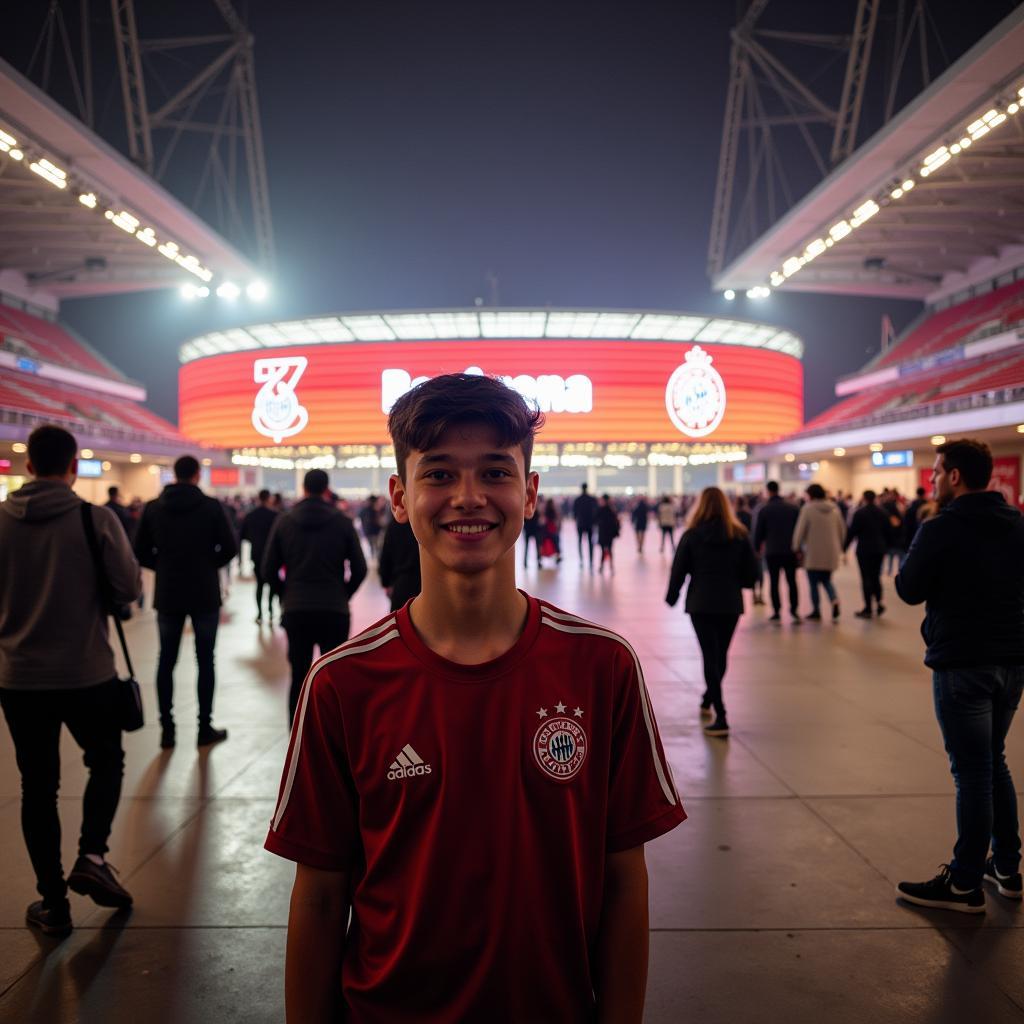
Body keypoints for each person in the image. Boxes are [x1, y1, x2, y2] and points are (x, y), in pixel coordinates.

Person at [265, 373, 684, 1023]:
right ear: (399, 498)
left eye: (494, 472)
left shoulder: (602, 667)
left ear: (530, 492)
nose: (468, 498)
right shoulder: (342, 683)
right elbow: (320, 895)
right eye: (437, 475)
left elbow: (624, 879)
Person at [0, 425, 140, 937]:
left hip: (18, 678)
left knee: (38, 787)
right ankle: (93, 854)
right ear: (73, 466)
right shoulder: (93, 518)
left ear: (30, 466)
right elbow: (127, 588)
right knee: (106, 761)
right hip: (88, 673)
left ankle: (53, 903)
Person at [895, 439, 1024, 913]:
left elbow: (908, 588)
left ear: (954, 477)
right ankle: (1007, 867)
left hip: (962, 662)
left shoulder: (940, 527)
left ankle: (964, 882)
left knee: (972, 771)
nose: (930, 479)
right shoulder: (1016, 523)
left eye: (935, 472)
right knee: (994, 761)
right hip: (1012, 661)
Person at [134, 454, 237, 749]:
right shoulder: (211, 507)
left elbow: (139, 550)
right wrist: (207, 564)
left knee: (166, 660)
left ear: (174, 474)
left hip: (168, 592)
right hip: (204, 592)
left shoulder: (154, 508)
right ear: (196, 475)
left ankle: (167, 730)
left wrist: (164, 565)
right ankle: (204, 727)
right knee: (206, 660)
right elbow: (229, 547)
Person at [263, 469, 368, 724]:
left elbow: (267, 569)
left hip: (297, 608)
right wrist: (343, 593)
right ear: (326, 489)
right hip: (333, 609)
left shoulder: (285, 521)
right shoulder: (342, 522)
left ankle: (297, 738)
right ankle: (333, 740)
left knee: (299, 675)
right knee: (334, 677)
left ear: (304, 488)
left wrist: (285, 593)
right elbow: (360, 568)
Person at [666, 487, 760, 738]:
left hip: (701, 602)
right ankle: (710, 699)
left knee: (710, 656)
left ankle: (721, 714)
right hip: (730, 602)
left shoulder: (692, 535)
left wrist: (672, 596)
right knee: (721, 655)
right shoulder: (739, 534)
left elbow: (679, 569)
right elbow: (752, 573)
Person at [792, 483, 846, 621]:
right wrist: (840, 547)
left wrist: (796, 546)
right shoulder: (835, 509)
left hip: (813, 552)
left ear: (811, 494)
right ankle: (834, 600)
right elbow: (842, 530)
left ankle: (816, 610)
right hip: (831, 552)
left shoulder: (808, 509)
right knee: (827, 580)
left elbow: (800, 530)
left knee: (813, 583)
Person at [752, 481, 801, 623]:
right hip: (790, 551)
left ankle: (776, 611)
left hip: (772, 551)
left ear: (768, 491)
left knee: (774, 582)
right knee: (792, 581)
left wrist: (756, 549)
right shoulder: (793, 508)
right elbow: (799, 530)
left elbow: (758, 532)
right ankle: (794, 610)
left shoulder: (764, 509)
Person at [843, 490, 892, 619]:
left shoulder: (859, 513)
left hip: (864, 550)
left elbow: (852, 531)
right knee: (876, 576)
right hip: (879, 549)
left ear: (864, 498)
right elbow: (889, 531)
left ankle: (868, 607)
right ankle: (879, 603)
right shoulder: (883, 512)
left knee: (866, 577)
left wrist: (844, 548)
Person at [240, 489, 280, 623]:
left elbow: (243, 535)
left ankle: (259, 614)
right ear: (269, 499)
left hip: (256, 554)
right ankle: (270, 610)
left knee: (259, 585)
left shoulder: (251, 515)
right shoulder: (275, 515)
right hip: (273, 555)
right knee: (272, 584)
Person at [378, 516, 421, 611]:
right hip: (424, 582)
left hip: (401, 583)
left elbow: (386, 555)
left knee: (400, 621)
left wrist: (385, 582)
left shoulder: (394, 524)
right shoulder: (426, 522)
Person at [573, 481, 598, 570]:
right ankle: (591, 561)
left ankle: (581, 560)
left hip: (580, 523)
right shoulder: (592, 499)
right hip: (590, 524)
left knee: (579, 542)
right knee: (590, 542)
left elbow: (574, 514)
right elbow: (595, 511)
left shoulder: (577, 500)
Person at [595, 493, 620, 574]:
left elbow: (595, 520)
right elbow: (616, 522)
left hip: (602, 532)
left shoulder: (600, 509)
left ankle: (601, 566)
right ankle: (611, 566)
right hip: (610, 533)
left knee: (603, 550)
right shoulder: (612, 510)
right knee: (610, 549)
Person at [521, 497, 543, 567]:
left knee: (529, 546)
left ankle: (526, 562)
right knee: (536, 546)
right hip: (534, 529)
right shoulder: (536, 509)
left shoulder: (527, 508)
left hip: (530, 529)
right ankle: (537, 562)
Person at [541, 496, 562, 563]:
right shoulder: (553, 510)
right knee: (556, 543)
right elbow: (556, 519)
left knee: (543, 543)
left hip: (546, 529)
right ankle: (558, 557)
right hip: (552, 529)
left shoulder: (545, 510)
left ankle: (539, 558)